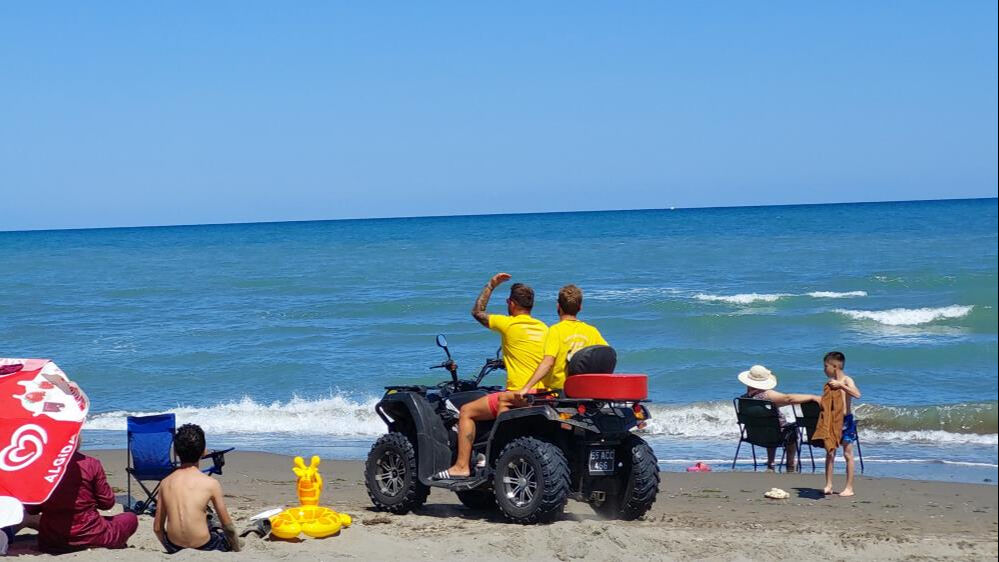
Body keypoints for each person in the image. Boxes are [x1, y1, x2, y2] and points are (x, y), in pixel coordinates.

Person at [434, 272, 547, 479]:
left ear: (511, 303)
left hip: (517, 395)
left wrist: (491, 285)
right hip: (542, 394)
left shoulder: (509, 324)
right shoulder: (544, 328)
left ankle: (461, 466)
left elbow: (477, 312)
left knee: (467, 411)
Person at [25, 451, 138, 553]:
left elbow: (32, 508)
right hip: (92, 534)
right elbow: (107, 503)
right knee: (130, 518)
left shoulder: (40, 466)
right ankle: (103, 543)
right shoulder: (90, 463)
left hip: (51, 539)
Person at [153, 424, 241, 553]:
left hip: (174, 545)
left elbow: (157, 529)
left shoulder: (165, 483)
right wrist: (236, 549)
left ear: (176, 452)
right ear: (204, 451)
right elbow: (228, 527)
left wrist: (170, 548)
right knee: (218, 530)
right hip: (205, 545)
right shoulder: (211, 483)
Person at [514, 284, 607, 397]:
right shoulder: (592, 331)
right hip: (584, 391)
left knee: (506, 400)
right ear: (580, 307)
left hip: (558, 393)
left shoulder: (555, 331)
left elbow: (548, 362)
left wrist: (526, 388)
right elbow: (607, 356)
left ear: (558, 306)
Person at [737, 364, 821, 472]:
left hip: (755, 435)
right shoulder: (767, 395)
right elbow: (789, 398)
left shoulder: (744, 399)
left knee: (769, 424)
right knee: (791, 429)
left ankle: (770, 461)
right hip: (776, 435)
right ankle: (790, 462)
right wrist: (812, 397)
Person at [821, 351, 862, 497]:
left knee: (847, 454)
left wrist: (841, 385)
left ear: (835, 366)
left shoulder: (846, 380)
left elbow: (857, 394)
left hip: (846, 420)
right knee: (830, 452)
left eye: (825, 366)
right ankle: (828, 484)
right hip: (833, 420)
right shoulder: (829, 383)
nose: (824, 369)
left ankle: (849, 487)